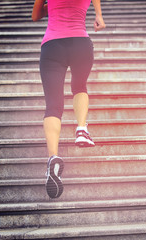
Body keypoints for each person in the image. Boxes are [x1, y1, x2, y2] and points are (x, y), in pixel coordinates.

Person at [32, 0, 106, 198]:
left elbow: (35, 16)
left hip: (52, 46)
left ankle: (52, 158)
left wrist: (53, 6)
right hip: (81, 44)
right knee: (79, 87)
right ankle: (82, 129)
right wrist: (98, 15)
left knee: (53, 106)